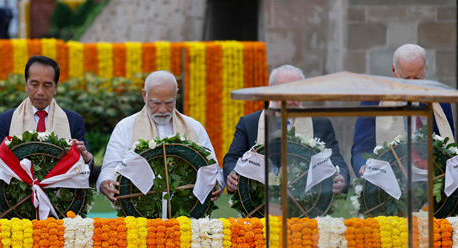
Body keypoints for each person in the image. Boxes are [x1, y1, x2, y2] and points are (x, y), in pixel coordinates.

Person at [97, 70, 224, 201]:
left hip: (186, 209)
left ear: (176, 94)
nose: (163, 110)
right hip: (138, 210)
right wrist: (105, 182)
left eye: (169, 103)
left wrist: (217, 182)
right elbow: (111, 167)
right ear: (144, 95)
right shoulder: (125, 127)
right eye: (156, 103)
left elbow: (212, 168)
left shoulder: (194, 127)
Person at [222, 65, 350, 194]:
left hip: (308, 200)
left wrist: (341, 178)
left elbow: (335, 158)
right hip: (259, 202)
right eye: (284, 93)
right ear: (271, 91)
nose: (289, 101)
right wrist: (232, 175)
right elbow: (233, 158)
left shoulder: (320, 123)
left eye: (294, 93)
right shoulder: (249, 123)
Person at [350, 43, 455, 177]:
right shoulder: (373, 102)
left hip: (430, 180)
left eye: (417, 77)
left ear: (426, 69)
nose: (411, 83)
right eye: (405, 78)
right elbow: (361, 148)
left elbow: (449, 147)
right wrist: (363, 167)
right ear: (394, 70)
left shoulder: (440, 102)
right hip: (384, 180)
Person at [0, 55, 92, 178]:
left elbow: (86, 167)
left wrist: (87, 159)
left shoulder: (73, 120)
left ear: (56, 87)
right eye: (34, 84)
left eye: (47, 85)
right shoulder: (7, 119)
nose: (40, 92)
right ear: (25, 84)